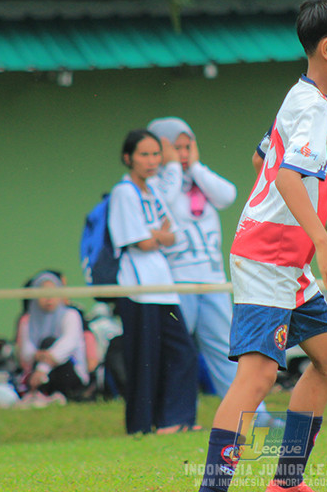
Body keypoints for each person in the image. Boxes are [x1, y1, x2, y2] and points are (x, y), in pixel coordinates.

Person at [181, 0, 327, 492]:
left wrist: (294, 231)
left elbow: (262, 156)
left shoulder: (302, 96)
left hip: (285, 258)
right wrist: (326, 244)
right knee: (259, 375)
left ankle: (286, 488)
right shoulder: (315, 108)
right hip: (269, 256)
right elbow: (287, 174)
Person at [147, 116, 280, 424]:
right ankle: (171, 418)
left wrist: (193, 167)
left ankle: (253, 416)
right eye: (174, 148)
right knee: (177, 353)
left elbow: (228, 195)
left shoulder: (200, 180)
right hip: (177, 282)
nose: (181, 153)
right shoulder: (156, 184)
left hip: (213, 281)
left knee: (225, 350)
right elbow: (161, 206)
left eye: (186, 145)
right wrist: (170, 168)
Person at [108, 129, 199, 435]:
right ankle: (140, 426)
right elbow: (140, 242)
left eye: (155, 154)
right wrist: (158, 235)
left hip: (164, 289)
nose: (151, 161)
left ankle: (174, 420)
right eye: (144, 155)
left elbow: (174, 235)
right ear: (128, 158)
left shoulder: (153, 191)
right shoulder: (124, 192)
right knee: (144, 362)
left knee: (182, 353)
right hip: (138, 290)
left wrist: (157, 235)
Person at [16, 270, 92, 403]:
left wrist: (42, 368)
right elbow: (25, 352)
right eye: (43, 294)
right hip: (40, 375)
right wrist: (37, 356)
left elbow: (66, 346)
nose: (49, 299)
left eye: (53, 293)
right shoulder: (28, 320)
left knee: (48, 342)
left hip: (68, 373)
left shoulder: (71, 315)